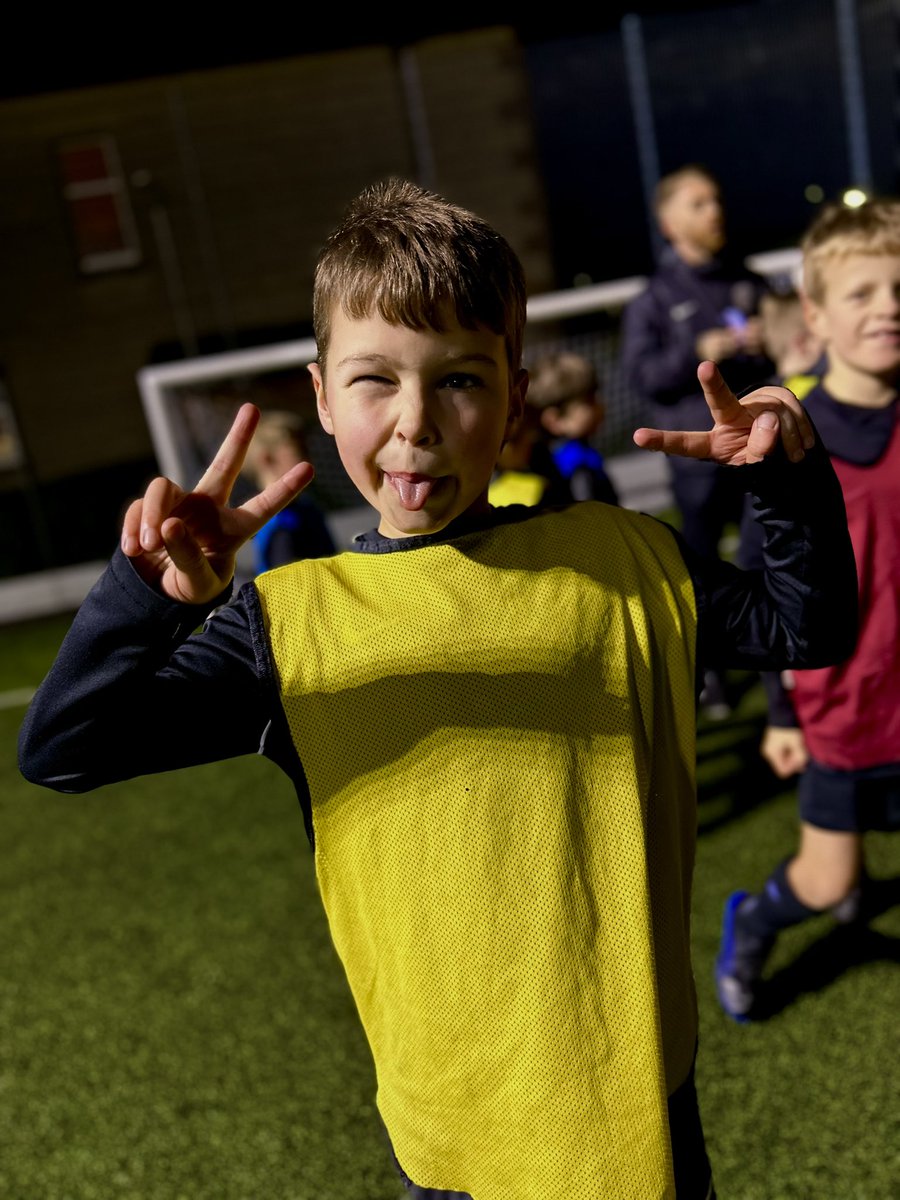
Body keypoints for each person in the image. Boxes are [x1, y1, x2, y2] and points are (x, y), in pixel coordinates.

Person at [18, 178, 857, 1200]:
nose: (416, 423)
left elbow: (806, 628)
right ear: (321, 397)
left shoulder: (623, 556)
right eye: (376, 380)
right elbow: (65, 746)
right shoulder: (286, 624)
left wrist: (785, 484)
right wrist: (147, 596)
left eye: (460, 380)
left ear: (513, 395)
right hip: (450, 1127)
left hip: (634, 1093)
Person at [716, 198, 900, 1025]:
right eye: (863, 293)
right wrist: (783, 710)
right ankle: (754, 918)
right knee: (828, 881)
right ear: (817, 317)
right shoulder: (790, 434)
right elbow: (765, 580)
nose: (889, 306)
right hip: (840, 710)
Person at [621, 164, 775, 717]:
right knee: (703, 570)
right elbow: (642, 379)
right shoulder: (653, 301)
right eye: (699, 204)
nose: (715, 211)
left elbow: (785, 351)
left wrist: (766, 339)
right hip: (699, 466)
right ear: (669, 222)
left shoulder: (746, 279)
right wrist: (696, 349)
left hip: (759, 452)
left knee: (767, 561)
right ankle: (711, 679)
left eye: (716, 200)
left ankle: (781, 680)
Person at [243, 408, 336, 572]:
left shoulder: (306, 508)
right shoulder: (280, 525)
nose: (309, 459)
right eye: (299, 452)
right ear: (267, 459)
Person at [525, 349, 619, 506]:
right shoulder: (575, 462)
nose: (601, 407)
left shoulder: (559, 455)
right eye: (589, 402)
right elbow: (588, 510)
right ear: (554, 420)